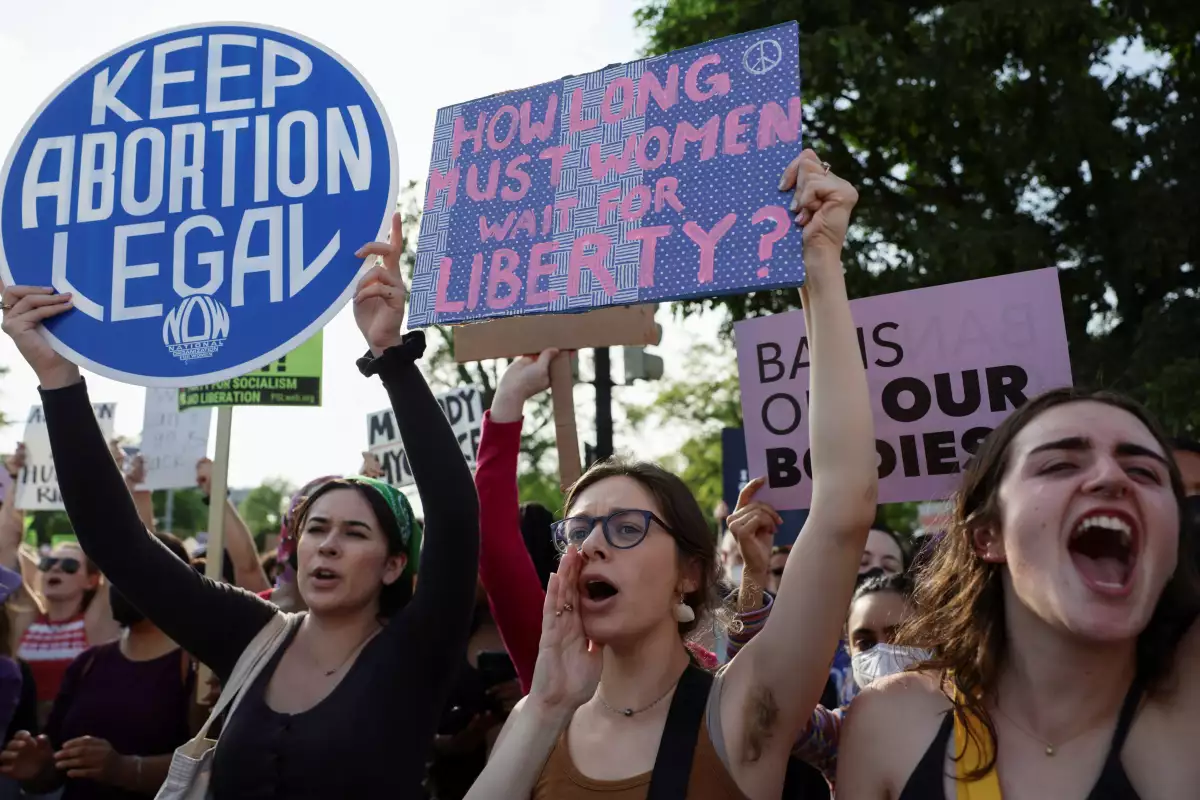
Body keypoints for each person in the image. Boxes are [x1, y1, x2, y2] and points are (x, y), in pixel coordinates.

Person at [0, 212, 481, 798]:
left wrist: (391, 357)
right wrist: (58, 379)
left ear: (394, 564)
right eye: (317, 528)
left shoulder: (417, 646)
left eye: (355, 534)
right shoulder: (254, 637)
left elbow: (457, 518)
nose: (328, 543)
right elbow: (118, 546)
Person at [466, 150, 877, 800]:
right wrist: (507, 406)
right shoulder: (540, 710)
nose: (591, 545)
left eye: (626, 528)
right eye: (578, 531)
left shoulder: (741, 712)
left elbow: (844, 506)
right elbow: (489, 544)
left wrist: (821, 269)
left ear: (689, 571)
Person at [837, 388, 1200, 798]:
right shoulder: (891, 723)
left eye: (1145, 473)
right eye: (1060, 464)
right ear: (987, 536)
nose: (1112, 478)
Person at [0, 533, 199, 798]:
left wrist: (126, 770)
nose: (118, 580)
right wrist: (37, 769)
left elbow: (208, 766)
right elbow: (56, 771)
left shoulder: (198, 669)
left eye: (132, 569)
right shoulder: (88, 663)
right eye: (113, 568)